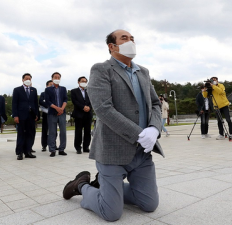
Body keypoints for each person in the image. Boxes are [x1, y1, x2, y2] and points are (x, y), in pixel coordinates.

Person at [63, 29, 164, 222]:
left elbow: (156, 104)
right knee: (111, 213)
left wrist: (153, 128)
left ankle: (108, 187)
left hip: (142, 152)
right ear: (112, 46)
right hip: (112, 151)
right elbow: (103, 109)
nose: (131, 41)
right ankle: (82, 186)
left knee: (149, 204)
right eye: (124, 38)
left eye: (133, 38)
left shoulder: (143, 71)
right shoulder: (101, 69)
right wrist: (138, 133)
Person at [12, 73, 39, 160]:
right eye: (26, 78)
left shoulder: (33, 90)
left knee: (30, 134)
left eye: (29, 79)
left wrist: (37, 114)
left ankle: (28, 152)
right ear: (23, 80)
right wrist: (15, 115)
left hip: (31, 115)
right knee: (21, 134)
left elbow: (35, 103)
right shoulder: (17, 90)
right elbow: (14, 103)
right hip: (21, 115)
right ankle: (19, 152)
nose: (28, 80)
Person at [44, 72, 68, 157]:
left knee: (63, 132)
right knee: (52, 132)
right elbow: (47, 101)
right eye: (55, 77)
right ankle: (52, 150)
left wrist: (61, 108)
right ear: (52, 78)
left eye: (58, 77)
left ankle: (62, 149)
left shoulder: (63, 89)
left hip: (62, 113)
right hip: (52, 113)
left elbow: (65, 99)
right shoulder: (48, 89)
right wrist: (56, 108)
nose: (57, 78)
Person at [71, 76, 93, 154]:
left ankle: (86, 147)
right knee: (78, 132)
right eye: (82, 81)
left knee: (87, 132)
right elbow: (75, 101)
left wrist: (89, 107)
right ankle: (78, 147)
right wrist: (83, 107)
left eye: (85, 81)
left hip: (88, 114)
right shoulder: (74, 91)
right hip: (79, 114)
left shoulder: (89, 91)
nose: (84, 83)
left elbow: (92, 101)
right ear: (78, 82)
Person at [39, 80, 53, 152]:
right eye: (50, 84)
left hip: (53, 113)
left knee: (53, 130)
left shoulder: (55, 93)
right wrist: (49, 105)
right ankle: (44, 145)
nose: (51, 86)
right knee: (45, 130)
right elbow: (41, 101)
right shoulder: (43, 94)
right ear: (47, 86)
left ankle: (53, 144)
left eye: (52, 84)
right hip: (46, 114)